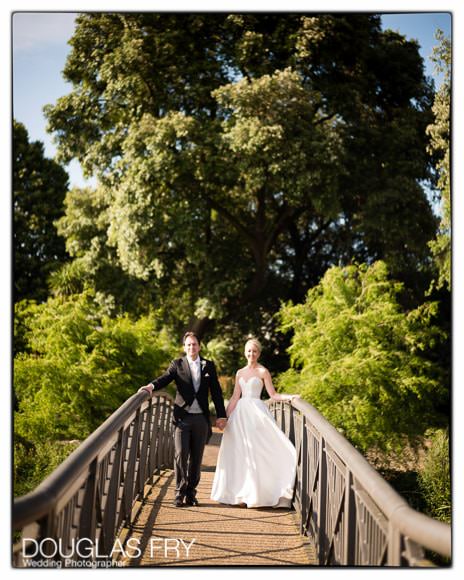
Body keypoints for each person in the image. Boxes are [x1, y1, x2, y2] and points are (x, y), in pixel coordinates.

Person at [140, 332, 227, 507]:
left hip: (201, 418)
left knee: (196, 458)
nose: (191, 347)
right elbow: (165, 378)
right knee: (180, 455)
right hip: (182, 418)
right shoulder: (177, 364)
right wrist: (151, 386)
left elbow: (216, 392)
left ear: (199, 346)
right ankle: (179, 493)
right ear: (184, 347)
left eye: (194, 344)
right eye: (188, 345)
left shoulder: (208, 365)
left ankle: (191, 494)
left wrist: (221, 415)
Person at [211, 338, 299, 508]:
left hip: (256, 414)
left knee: (258, 451)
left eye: (255, 351)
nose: (251, 354)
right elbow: (236, 396)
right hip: (240, 416)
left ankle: (257, 494)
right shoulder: (239, 373)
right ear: (245, 352)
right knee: (240, 453)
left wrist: (289, 397)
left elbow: (273, 395)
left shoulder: (263, 371)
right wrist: (224, 417)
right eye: (249, 351)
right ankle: (240, 494)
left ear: (258, 353)